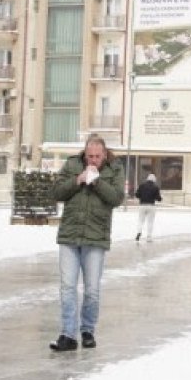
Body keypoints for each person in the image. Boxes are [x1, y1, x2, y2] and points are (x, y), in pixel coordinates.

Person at [49, 134, 125, 351]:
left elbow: (117, 198)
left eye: (97, 156)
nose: (93, 160)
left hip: (96, 237)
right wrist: (77, 180)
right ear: (85, 153)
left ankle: (87, 330)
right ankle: (68, 335)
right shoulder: (72, 164)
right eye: (90, 156)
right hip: (70, 236)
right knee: (67, 287)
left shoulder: (114, 168)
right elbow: (56, 192)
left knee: (91, 289)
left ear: (104, 154)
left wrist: (97, 182)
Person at [135, 173, 162, 242]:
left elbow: (137, 195)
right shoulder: (156, 187)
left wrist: (142, 196)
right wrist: (159, 198)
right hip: (151, 206)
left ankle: (139, 232)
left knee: (140, 220)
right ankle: (149, 237)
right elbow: (158, 198)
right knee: (150, 222)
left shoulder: (142, 185)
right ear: (154, 180)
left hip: (142, 205)